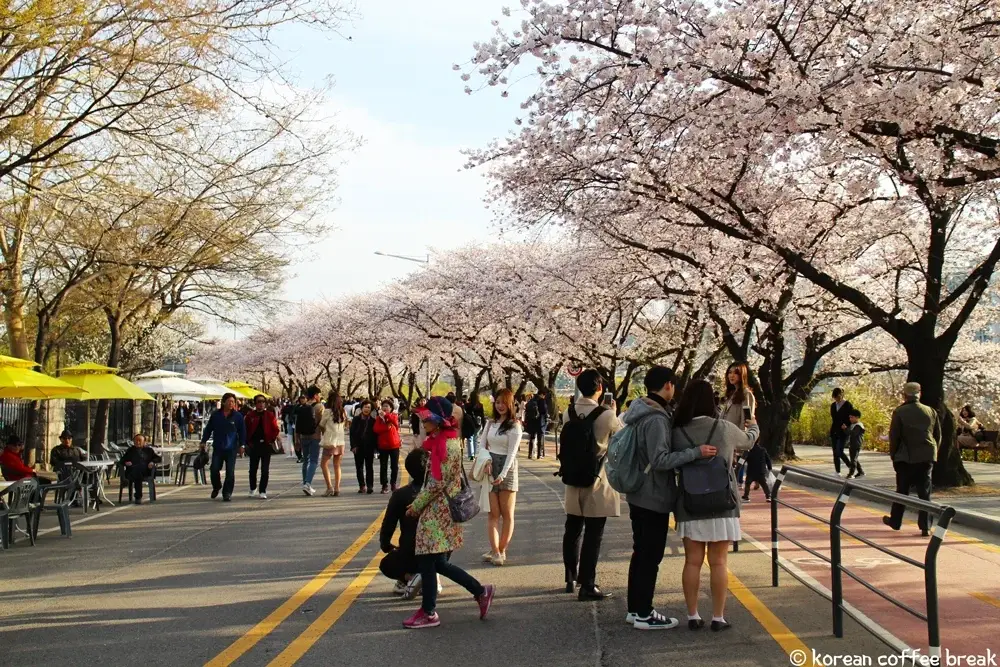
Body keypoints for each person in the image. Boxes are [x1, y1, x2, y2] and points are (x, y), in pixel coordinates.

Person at [623, 366, 712, 631]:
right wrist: (695, 452)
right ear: (668, 385)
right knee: (650, 556)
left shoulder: (641, 410)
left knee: (641, 553)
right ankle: (643, 613)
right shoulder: (656, 418)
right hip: (652, 495)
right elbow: (660, 459)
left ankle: (634, 609)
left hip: (639, 492)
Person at [672, 379, 759, 631]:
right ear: (712, 401)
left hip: (689, 502)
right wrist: (754, 427)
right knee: (719, 562)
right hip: (722, 502)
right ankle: (718, 618)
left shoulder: (677, 431)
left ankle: (692, 615)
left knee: (692, 561)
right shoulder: (723, 428)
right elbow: (748, 441)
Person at [403, 396, 495, 629]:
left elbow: (436, 483)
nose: (423, 423)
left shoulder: (446, 444)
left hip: (438, 511)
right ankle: (479, 591)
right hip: (438, 509)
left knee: (428, 559)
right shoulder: (441, 440)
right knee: (438, 563)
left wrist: (416, 506)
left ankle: (429, 611)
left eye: (426, 419)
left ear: (438, 420)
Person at [560, 369, 622, 601]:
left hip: (572, 478)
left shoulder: (568, 412)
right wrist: (613, 412)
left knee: (572, 528)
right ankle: (587, 584)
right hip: (596, 480)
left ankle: (569, 576)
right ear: (599, 388)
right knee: (593, 533)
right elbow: (619, 439)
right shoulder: (606, 415)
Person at [883, 382, 941, 537]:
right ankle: (925, 526)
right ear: (919, 394)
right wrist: (933, 452)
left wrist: (893, 455)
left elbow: (894, 436)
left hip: (905, 456)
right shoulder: (930, 411)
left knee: (902, 491)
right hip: (926, 455)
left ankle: (896, 521)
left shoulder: (900, 412)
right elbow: (937, 435)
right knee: (925, 492)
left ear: (905, 395)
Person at [480, 388, 522, 567]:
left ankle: (501, 549)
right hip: (490, 467)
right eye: (497, 402)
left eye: (504, 402)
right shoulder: (490, 424)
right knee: (492, 513)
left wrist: (503, 474)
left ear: (511, 404)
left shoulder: (515, 426)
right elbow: (482, 444)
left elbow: (512, 454)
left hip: (507, 468)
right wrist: (487, 460)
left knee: (507, 514)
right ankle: (495, 550)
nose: (500, 406)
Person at [380, 449, 430, 599]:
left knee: (386, 564)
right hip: (439, 550)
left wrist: (386, 545)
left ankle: (410, 577)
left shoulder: (401, 495)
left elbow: (388, 524)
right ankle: (427, 576)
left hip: (411, 552)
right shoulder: (437, 491)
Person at [199, 392, 247, 502]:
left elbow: (242, 432)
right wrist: (203, 441)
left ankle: (227, 493)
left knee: (230, 472)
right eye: (229, 401)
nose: (232, 404)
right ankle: (216, 486)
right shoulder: (216, 415)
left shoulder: (238, 416)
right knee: (214, 469)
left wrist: (242, 445)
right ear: (224, 402)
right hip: (218, 448)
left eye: (233, 402)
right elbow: (208, 429)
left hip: (231, 449)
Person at [245, 394, 280, 500]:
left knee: (265, 470)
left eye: (263, 402)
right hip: (254, 445)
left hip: (266, 445)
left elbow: (275, 429)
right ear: (255, 403)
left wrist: (271, 439)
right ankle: (252, 487)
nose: (261, 404)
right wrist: (247, 442)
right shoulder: (250, 415)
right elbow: (246, 429)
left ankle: (262, 490)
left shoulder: (269, 415)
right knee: (252, 469)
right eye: (259, 402)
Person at [297, 386, 324, 496]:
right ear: (316, 395)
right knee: (313, 460)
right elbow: (322, 423)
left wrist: (296, 439)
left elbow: (297, 423)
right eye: (319, 394)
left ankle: (305, 483)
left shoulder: (302, 406)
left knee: (306, 460)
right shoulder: (319, 406)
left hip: (303, 437)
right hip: (315, 436)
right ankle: (307, 484)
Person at [319, 391, 347, 496]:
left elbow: (321, 424)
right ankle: (337, 488)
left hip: (330, 441)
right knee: (337, 465)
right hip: (340, 442)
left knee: (323, 464)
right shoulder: (343, 412)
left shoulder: (327, 411)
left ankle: (329, 487)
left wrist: (324, 431)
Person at [121, 433, 161, 505]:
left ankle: (138, 497)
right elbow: (121, 461)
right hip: (132, 471)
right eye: (136, 441)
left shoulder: (149, 450)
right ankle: (138, 497)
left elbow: (158, 458)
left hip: (146, 471)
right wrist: (126, 462)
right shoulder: (130, 450)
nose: (137, 442)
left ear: (144, 442)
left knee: (138, 472)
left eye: (139, 441)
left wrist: (152, 462)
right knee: (137, 473)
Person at [373, 399, 402, 494]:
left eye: (387, 406)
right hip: (383, 445)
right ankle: (384, 485)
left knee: (394, 466)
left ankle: (393, 483)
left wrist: (386, 416)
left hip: (394, 445)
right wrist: (387, 427)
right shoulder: (378, 418)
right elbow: (376, 429)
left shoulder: (394, 416)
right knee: (383, 466)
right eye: (383, 406)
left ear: (391, 408)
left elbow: (395, 423)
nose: (385, 408)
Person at [350, 400, 378, 494]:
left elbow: (375, 436)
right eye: (365, 407)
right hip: (358, 446)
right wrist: (353, 446)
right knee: (359, 467)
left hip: (369, 447)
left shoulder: (373, 421)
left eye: (369, 407)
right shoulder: (356, 419)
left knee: (369, 467)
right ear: (361, 408)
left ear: (371, 409)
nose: (366, 409)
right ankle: (362, 485)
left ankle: (370, 486)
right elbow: (352, 434)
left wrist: (376, 449)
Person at [830, 388, 854, 475]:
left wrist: (847, 426)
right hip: (834, 431)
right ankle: (837, 471)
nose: (837, 399)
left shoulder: (848, 405)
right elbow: (834, 418)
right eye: (835, 397)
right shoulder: (833, 405)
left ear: (842, 395)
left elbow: (852, 418)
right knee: (835, 452)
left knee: (839, 451)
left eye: (838, 396)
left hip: (844, 431)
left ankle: (851, 467)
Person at [845, 408, 866, 479]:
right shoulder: (853, 425)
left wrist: (846, 429)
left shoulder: (858, 425)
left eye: (852, 417)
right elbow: (848, 433)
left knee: (853, 459)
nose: (850, 419)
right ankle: (861, 472)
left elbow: (854, 433)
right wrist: (845, 429)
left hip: (856, 444)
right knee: (854, 458)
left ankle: (851, 474)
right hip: (852, 444)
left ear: (857, 417)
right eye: (850, 417)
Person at [292, 394, 308, 462]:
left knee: (304, 442)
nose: (302, 400)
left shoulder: (308, 407)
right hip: (296, 426)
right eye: (301, 399)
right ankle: (299, 456)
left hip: (305, 428)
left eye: (304, 398)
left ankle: (305, 456)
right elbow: (292, 415)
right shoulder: (296, 407)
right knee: (296, 442)